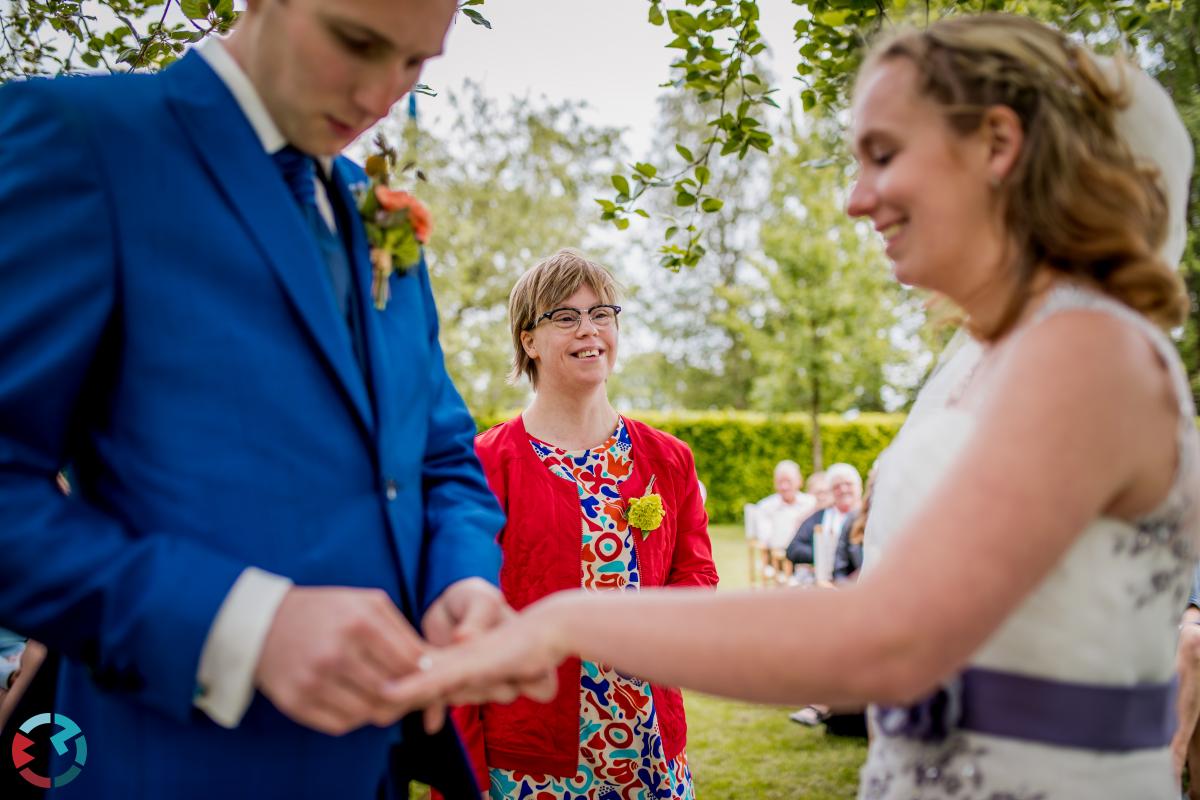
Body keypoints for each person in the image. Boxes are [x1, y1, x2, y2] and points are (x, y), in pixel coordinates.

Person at [383, 14, 1198, 799]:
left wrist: (561, 623)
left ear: (996, 144)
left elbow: (890, 638)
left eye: (882, 154)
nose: (854, 197)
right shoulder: (994, 359)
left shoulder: (1091, 356)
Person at [0, 0, 512, 796]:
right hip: (175, 765)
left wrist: (462, 580)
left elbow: (440, 456)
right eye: (356, 41)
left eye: (416, 63)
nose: (382, 94)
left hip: (378, 766)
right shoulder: (86, 142)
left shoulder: (372, 212)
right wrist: (241, 628)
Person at [452, 249, 718, 799]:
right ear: (528, 340)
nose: (589, 330)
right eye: (565, 316)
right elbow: (463, 617)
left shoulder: (668, 459)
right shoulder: (483, 464)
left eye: (602, 314)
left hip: (648, 746)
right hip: (530, 760)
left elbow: (697, 578)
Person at [785, 463, 862, 585]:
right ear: (831, 491)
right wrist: (822, 554)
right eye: (837, 486)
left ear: (859, 487)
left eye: (848, 484)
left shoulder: (867, 517)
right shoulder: (819, 517)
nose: (843, 489)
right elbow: (793, 549)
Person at [754, 461, 817, 551]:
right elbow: (766, 539)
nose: (784, 487)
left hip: (806, 555)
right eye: (780, 482)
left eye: (789, 481)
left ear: (799, 481)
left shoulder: (811, 503)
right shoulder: (765, 506)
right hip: (777, 558)